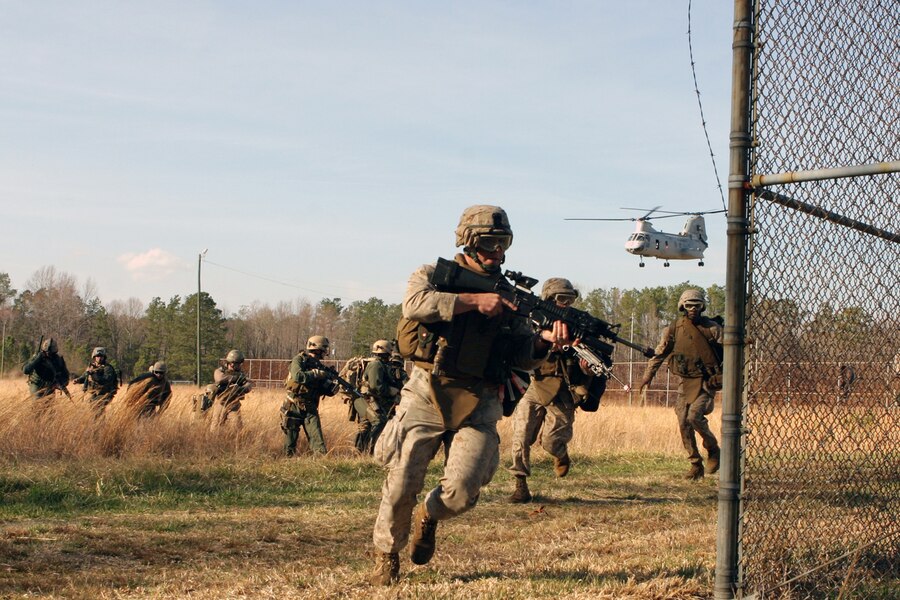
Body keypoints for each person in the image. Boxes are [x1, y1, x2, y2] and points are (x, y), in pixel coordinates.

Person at [369, 205, 571, 585]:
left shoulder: (512, 296)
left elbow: (519, 356)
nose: (498, 251)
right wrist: (472, 302)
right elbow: (414, 305)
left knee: (462, 492)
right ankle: (387, 555)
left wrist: (544, 343)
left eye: (503, 242)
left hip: (479, 399)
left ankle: (429, 516)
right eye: (490, 242)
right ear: (468, 241)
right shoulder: (431, 275)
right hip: (427, 392)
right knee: (400, 486)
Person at [508, 278, 595, 503]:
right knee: (520, 436)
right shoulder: (532, 323)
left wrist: (587, 369)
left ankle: (561, 454)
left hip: (563, 390)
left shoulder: (580, 325)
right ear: (548, 300)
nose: (566, 304)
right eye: (560, 299)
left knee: (552, 441)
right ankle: (520, 485)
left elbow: (593, 363)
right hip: (535, 385)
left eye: (570, 299)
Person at [639, 289, 723, 480]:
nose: (693, 309)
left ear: (702, 306)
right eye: (689, 305)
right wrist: (647, 376)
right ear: (682, 307)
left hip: (706, 381)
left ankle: (712, 448)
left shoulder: (712, 328)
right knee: (683, 422)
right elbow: (659, 353)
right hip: (685, 383)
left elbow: (730, 344)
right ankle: (695, 464)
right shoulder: (674, 328)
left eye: (697, 305)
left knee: (694, 416)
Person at [282, 335, 339, 456]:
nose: (325, 352)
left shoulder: (320, 366)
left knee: (319, 446)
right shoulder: (299, 360)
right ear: (319, 349)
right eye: (324, 349)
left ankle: (320, 468)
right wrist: (315, 374)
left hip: (311, 409)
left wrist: (332, 387)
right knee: (289, 446)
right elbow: (298, 376)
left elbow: (322, 390)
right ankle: (286, 466)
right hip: (293, 406)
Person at [359, 339, 398, 453]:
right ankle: (369, 450)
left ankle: (367, 450)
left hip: (375, 399)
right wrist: (392, 391)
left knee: (374, 424)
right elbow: (376, 386)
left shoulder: (382, 364)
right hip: (370, 399)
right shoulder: (376, 365)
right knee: (379, 422)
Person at [209, 349, 254, 428]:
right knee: (215, 429)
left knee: (237, 429)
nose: (234, 365)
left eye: (237, 364)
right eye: (232, 363)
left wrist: (240, 388)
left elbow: (249, 385)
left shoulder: (241, 374)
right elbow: (219, 378)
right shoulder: (220, 371)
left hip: (234, 405)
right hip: (220, 403)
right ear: (229, 362)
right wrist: (235, 378)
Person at [73, 346, 119, 414]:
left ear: (104, 357)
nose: (99, 358)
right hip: (94, 393)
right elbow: (85, 377)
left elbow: (105, 380)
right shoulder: (91, 367)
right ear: (94, 357)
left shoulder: (108, 368)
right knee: (94, 410)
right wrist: (78, 380)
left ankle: (100, 423)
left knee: (97, 407)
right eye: (97, 356)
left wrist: (94, 374)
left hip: (105, 393)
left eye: (101, 356)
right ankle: (98, 424)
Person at [22, 337, 70, 402]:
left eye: (50, 353)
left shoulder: (58, 360)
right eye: (46, 352)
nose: (48, 354)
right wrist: (37, 359)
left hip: (50, 387)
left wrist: (59, 384)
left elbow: (65, 376)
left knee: (49, 410)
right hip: (37, 385)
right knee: (37, 406)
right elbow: (26, 370)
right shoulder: (37, 357)